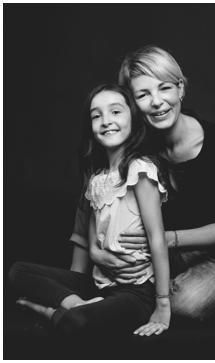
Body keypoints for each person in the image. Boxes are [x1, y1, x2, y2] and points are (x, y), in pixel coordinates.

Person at [69, 45, 215, 321]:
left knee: (185, 303)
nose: (157, 102)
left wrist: (166, 240)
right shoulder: (135, 143)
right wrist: (94, 248)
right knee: (100, 176)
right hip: (154, 253)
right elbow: (95, 192)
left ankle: (141, 295)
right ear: (132, 105)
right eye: (143, 94)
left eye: (164, 88)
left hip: (213, 256)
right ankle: (76, 281)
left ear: (180, 89)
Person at [9, 84, 171, 336]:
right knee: (18, 270)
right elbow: (93, 230)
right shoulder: (97, 179)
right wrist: (96, 253)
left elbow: (157, 238)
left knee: (75, 323)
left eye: (116, 112)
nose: (106, 121)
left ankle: (49, 311)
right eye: (97, 116)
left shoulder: (140, 170)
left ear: (134, 119)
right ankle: (75, 304)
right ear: (91, 127)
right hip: (100, 283)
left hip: (136, 290)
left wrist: (163, 303)